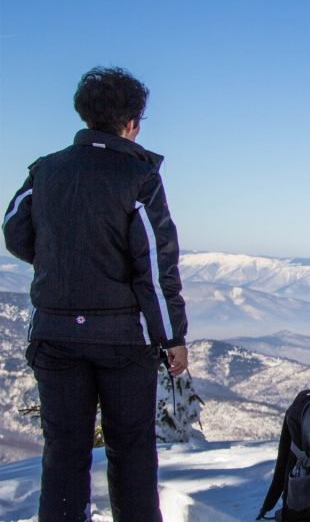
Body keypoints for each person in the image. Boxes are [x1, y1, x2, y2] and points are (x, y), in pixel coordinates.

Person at [3, 66, 189, 521]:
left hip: (55, 333)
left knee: (64, 449)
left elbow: (13, 230)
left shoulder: (45, 170)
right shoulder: (139, 177)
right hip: (123, 339)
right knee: (131, 449)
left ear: (84, 116)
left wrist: (63, 262)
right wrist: (173, 337)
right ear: (132, 123)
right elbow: (155, 264)